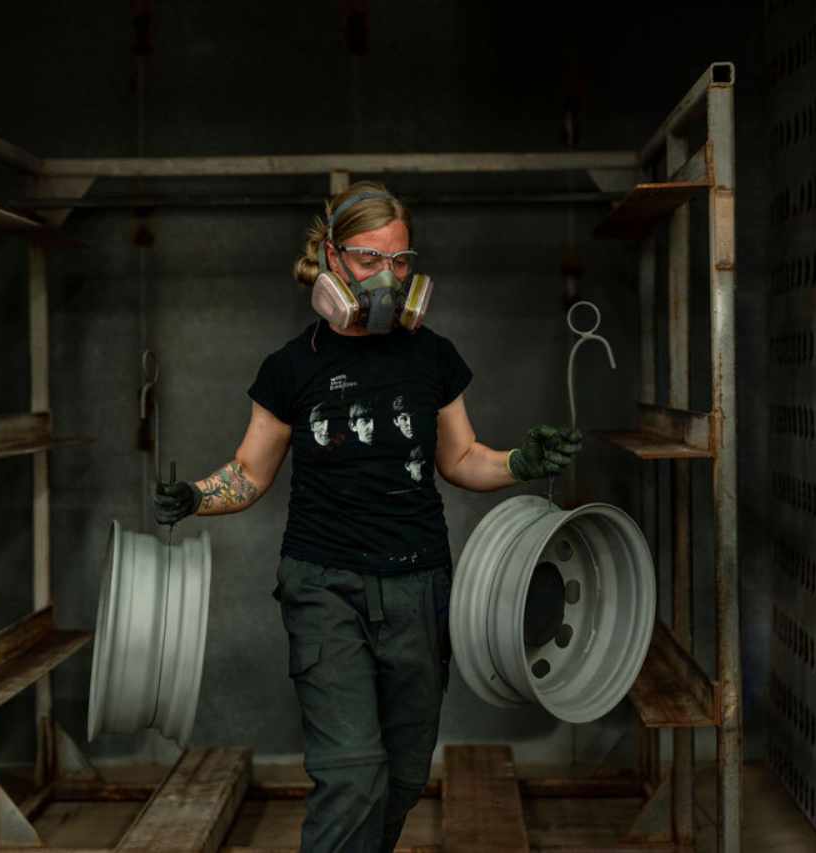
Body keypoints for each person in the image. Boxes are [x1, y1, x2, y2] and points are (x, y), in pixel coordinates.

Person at [153, 181, 583, 853]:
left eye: (401, 261)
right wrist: (194, 497)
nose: (387, 277)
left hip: (419, 588)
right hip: (325, 587)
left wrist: (523, 462)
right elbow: (249, 473)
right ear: (331, 257)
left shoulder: (431, 356)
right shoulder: (291, 367)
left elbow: (462, 457)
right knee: (353, 775)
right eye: (369, 259)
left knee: (404, 776)